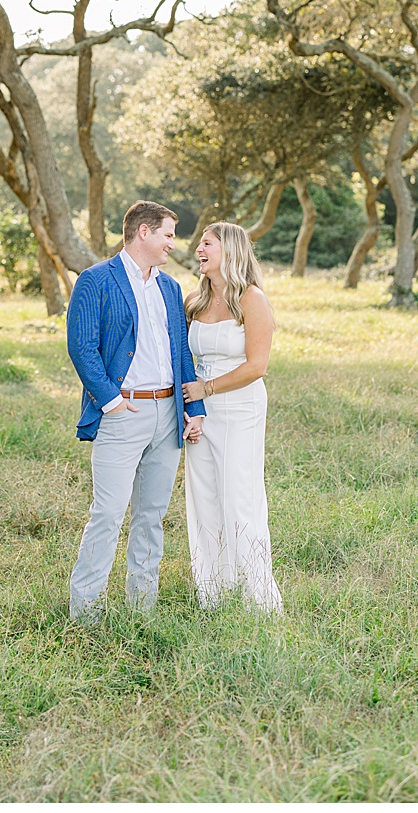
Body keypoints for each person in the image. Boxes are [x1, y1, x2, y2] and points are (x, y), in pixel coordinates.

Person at [67, 201, 205, 620]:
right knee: (107, 514)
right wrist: (111, 401)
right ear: (143, 233)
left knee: (151, 517)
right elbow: (82, 347)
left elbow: (180, 350)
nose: (172, 244)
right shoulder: (95, 281)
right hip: (122, 413)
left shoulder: (169, 288)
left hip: (167, 415)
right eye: (167, 235)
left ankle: (141, 610)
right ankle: (85, 615)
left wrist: (192, 406)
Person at [179, 221, 283, 612]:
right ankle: (214, 594)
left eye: (207, 244)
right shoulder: (194, 301)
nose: (198, 250)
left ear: (231, 250)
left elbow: (257, 366)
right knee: (204, 497)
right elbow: (186, 362)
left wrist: (207, 389)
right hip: (201, 413)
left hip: (240, 407)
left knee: (239, 497)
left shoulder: (252, 300)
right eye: (200, 244)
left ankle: (257, 597)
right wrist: (194, 409)